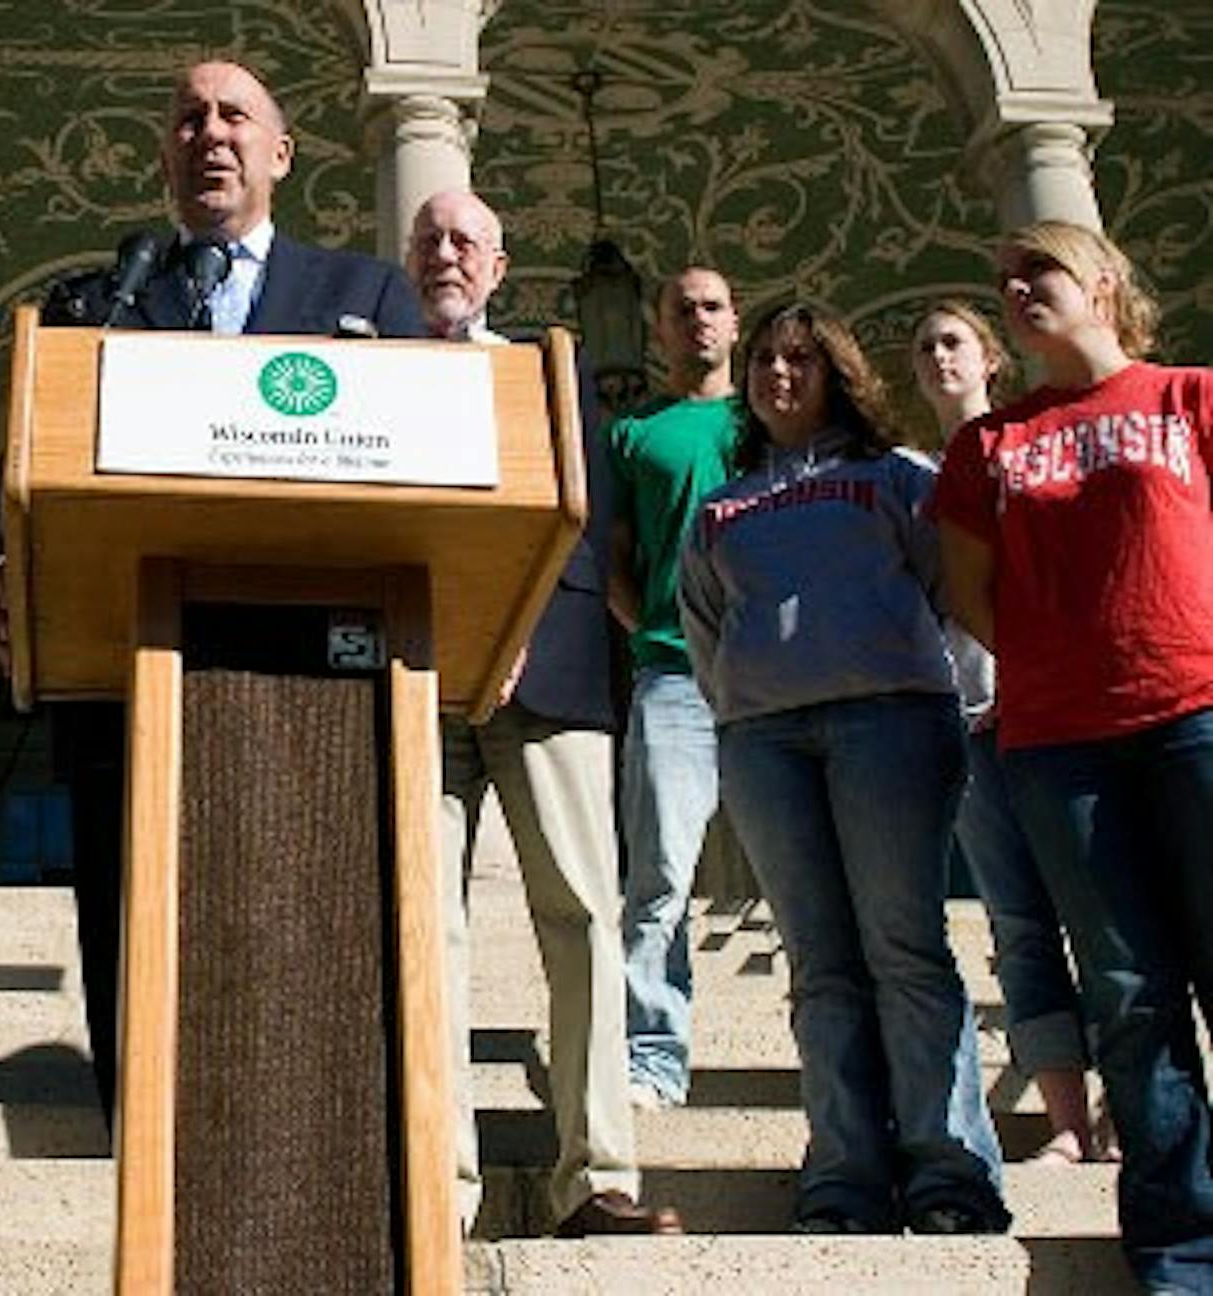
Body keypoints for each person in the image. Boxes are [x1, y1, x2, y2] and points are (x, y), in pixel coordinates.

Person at [0, 59, 423, 1118]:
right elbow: (35, 459)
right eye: (187, 119)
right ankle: (140, 1152)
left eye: (233, 116)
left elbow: (422, 462)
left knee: (297, 968)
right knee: (132, 964)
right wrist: (7, 562)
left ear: (281, 154)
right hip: (124, 679)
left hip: (308, 687)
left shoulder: (363, 295)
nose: (209, 133)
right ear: (165, 156)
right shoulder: (106, 298)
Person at [679, 301, 1009, 1236]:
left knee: (904, 950)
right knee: (820, 966)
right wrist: (745, 701)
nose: (778, 374)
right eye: (764, 360)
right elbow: (704, 627)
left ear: (839, 373)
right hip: (766, 744)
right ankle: (843, 1177)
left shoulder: (898, 477)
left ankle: (949, 1174)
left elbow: (955, 597)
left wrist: (966, 705)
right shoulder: (722, 507)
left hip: (891, 727)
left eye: (801, 359)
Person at [931, 221, 1212, 1293]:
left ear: (1101, 280)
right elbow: (969, 591)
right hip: (1059, 746)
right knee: (1129, 997)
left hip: (1195, 716)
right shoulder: (987, 446)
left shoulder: (1186, 398)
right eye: (1003, 280)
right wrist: (1063, 659)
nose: (1015, 290)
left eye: (1036, 269)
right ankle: (1182, 1254)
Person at [409, 189, 681, 1240]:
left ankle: (598, 1176)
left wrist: (514, 616)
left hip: (549, 674)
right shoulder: (377, 372)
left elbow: (586, 522)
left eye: (464, 242)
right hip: (416, 674)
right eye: (428, 241)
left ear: (497, 266)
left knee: (582, 916)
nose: (445, 255)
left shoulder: (548, 372)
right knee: (426, 927)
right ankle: (439, 1188)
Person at [910, 299, 1110, 1167]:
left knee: (1102, 911)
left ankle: (1125, 1104)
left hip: (1058, 714)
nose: (938, 357)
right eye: (924, 347)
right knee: (1019, 920)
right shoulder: (912, 476)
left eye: (953, 341)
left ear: (989, 356)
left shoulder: (1034, 445)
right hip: (964, 719)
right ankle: (1067, 1122)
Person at [604, 267, 742, 1109]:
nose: (698, 320)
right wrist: (650, 629)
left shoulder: (766, 422)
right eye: (681, 309)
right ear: (659, 330)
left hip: (778, 677)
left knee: (812, 882)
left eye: (713, 306)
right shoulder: (633, 434)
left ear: (736, 322)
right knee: (658, 876)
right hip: (672, 676)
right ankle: (654, 1058)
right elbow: (614, 556)